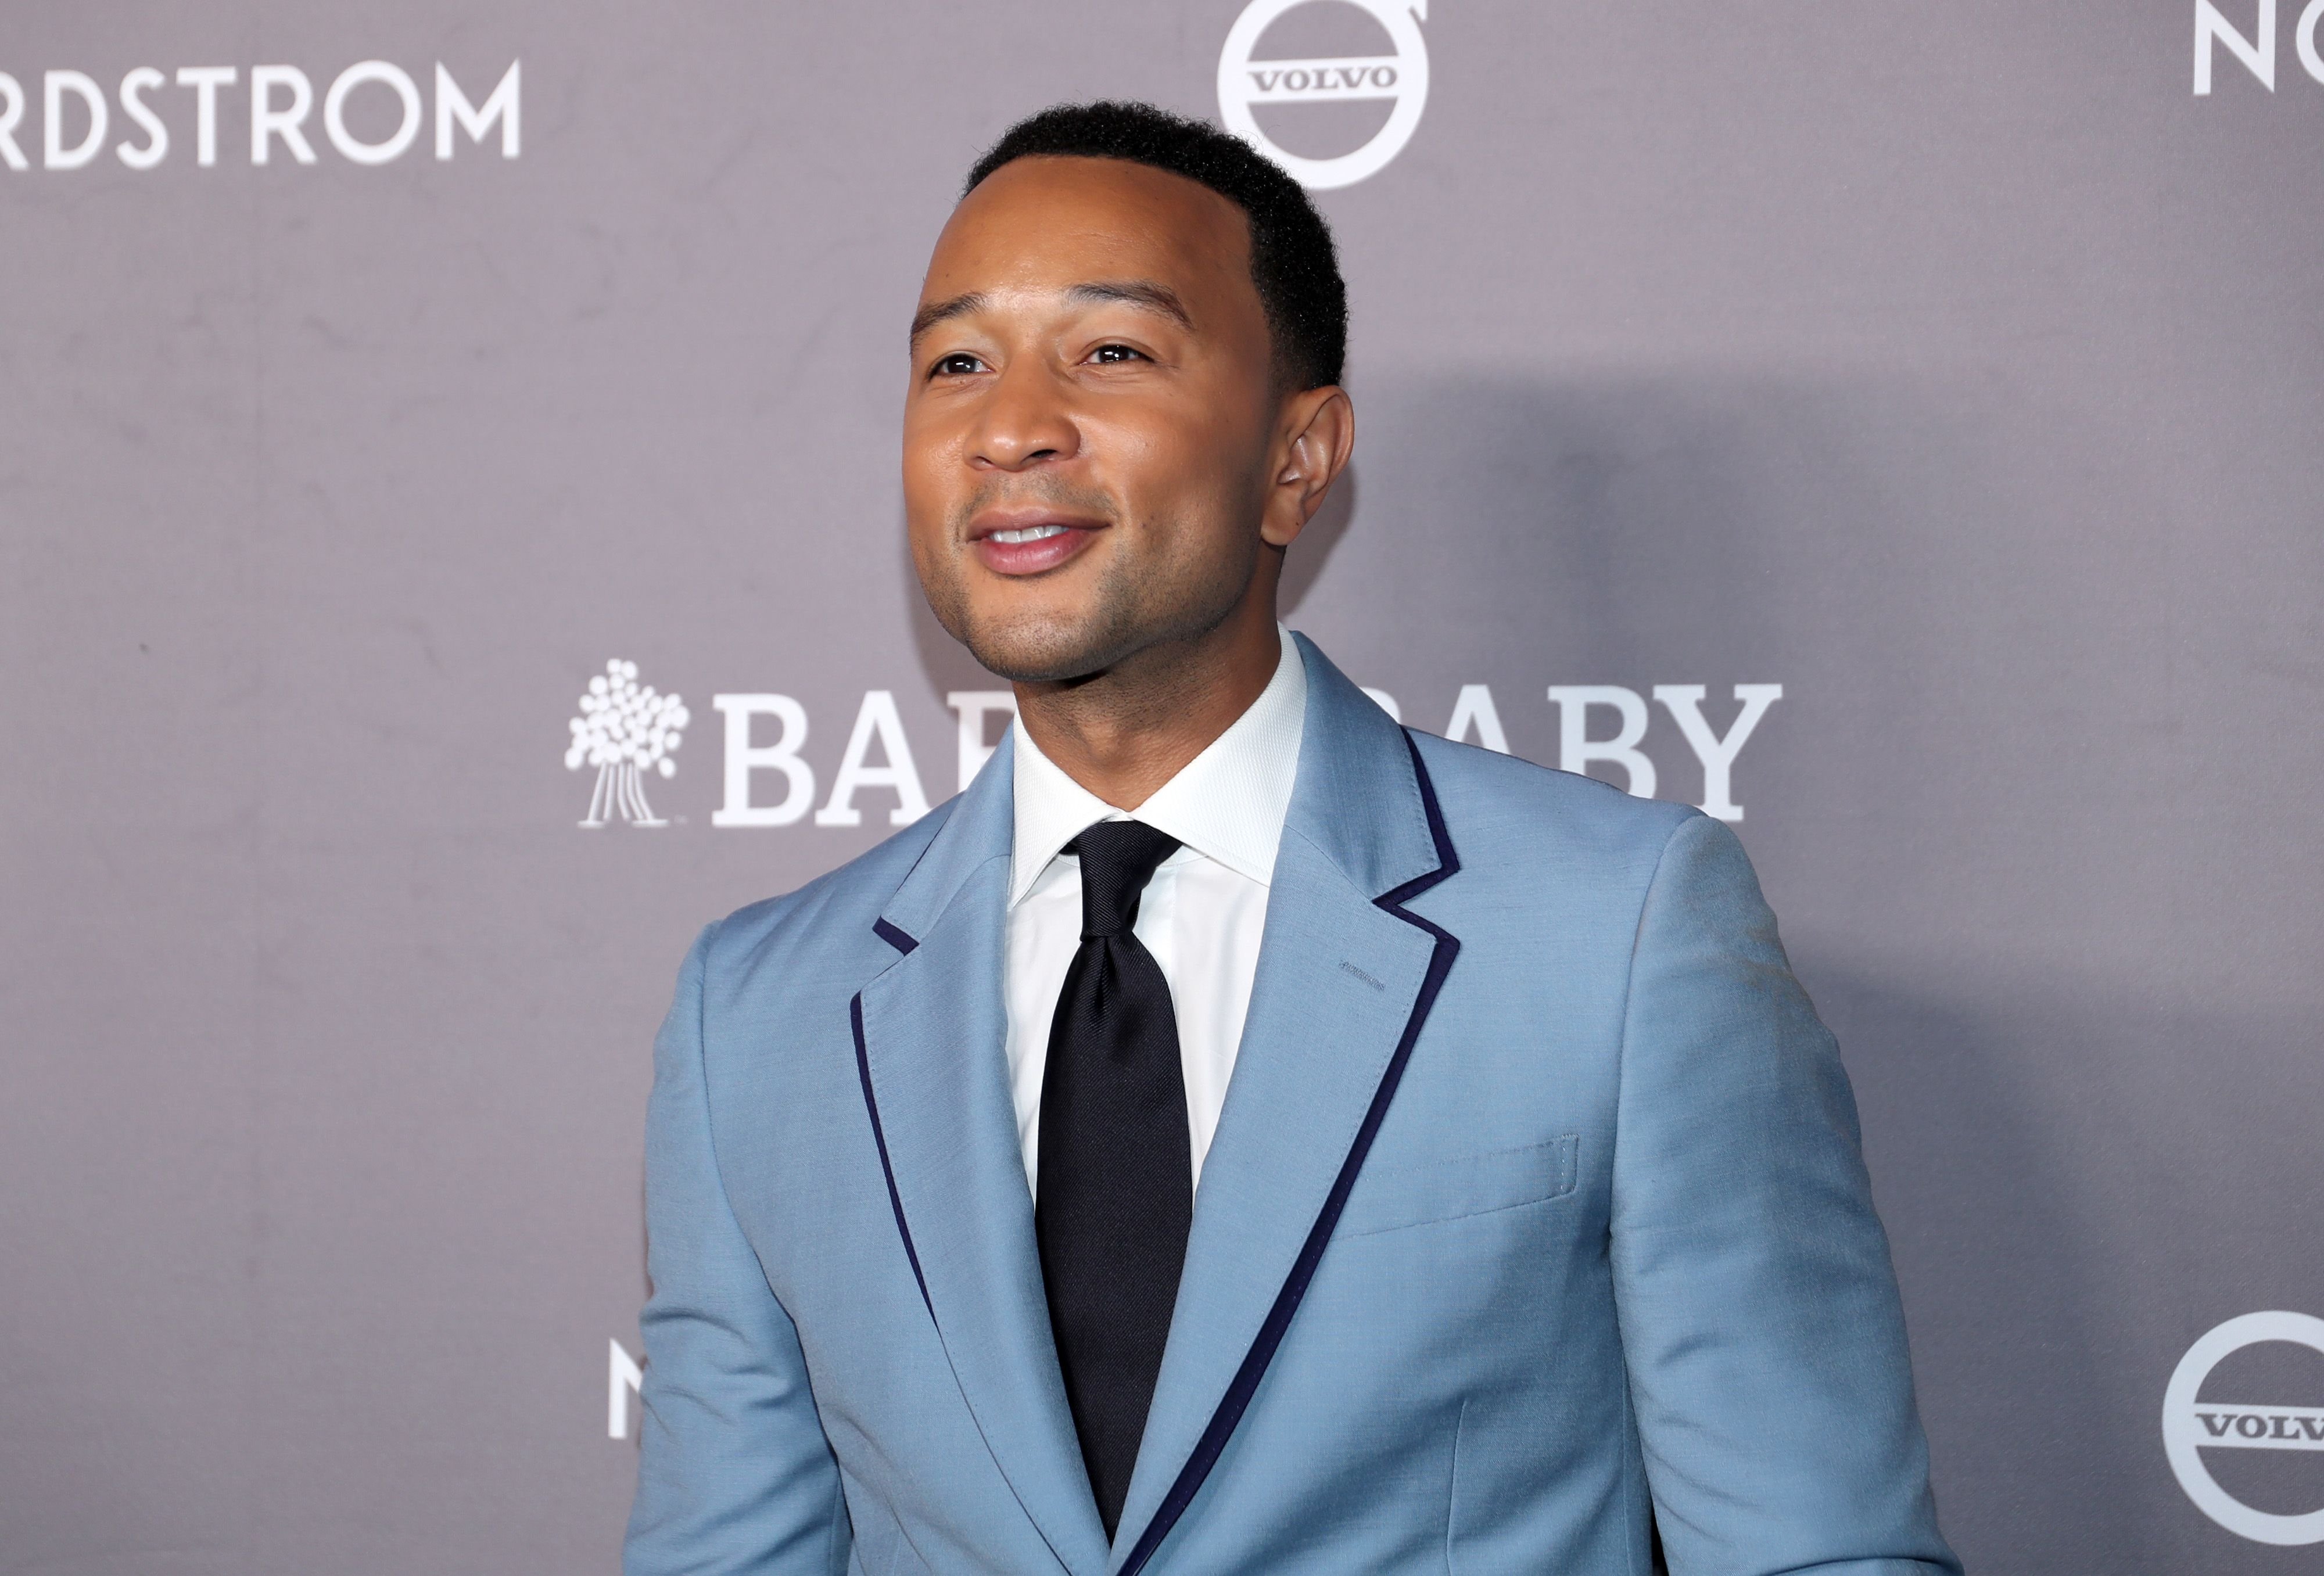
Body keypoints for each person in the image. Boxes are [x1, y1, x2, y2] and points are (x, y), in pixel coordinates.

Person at [624, 100, 1960, 1576]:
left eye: (1110, 352)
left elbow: (1812, 1550)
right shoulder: (756, 1012)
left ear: (1298, 459)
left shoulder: (1619, 937)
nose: (1007, 426)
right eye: (954, 363)